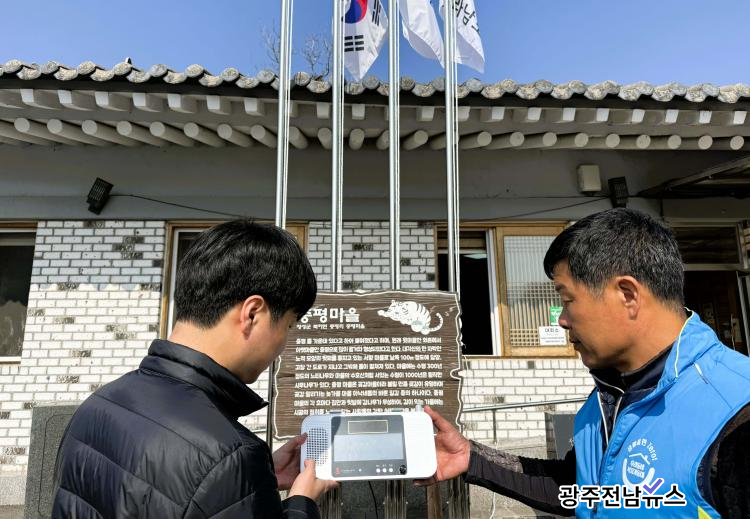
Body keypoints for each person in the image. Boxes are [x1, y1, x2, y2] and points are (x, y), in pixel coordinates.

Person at [417, 208, 750, 518]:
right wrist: (471, 458)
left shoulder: (737, 411)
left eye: (567, 299)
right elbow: (584, 491)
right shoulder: (608, 396)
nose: (562, 320)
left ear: (627, 295)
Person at [53, 220, 336, 518]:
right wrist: (301, 503)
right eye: (289, 325)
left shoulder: (99, 403)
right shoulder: (230, 456)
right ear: (252, 313)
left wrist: (257, 484)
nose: (284, 343)